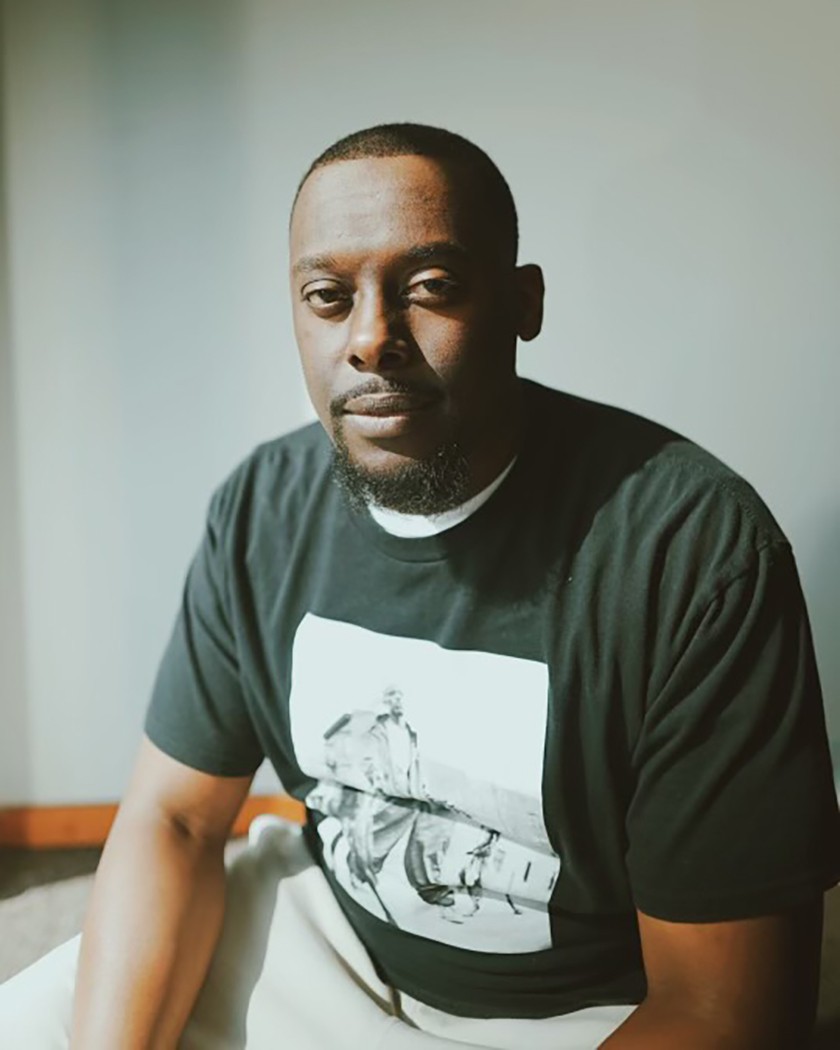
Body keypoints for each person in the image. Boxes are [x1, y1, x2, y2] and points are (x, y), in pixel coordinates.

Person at [1, 122, 838, 1049]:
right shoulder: (261, 508)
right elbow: (177, 823)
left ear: (523, 303)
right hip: (338, 944)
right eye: (327, 297)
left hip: (586, 1015)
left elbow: (727, 1011)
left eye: (430, 288)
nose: (370, 340)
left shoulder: (694, 548)